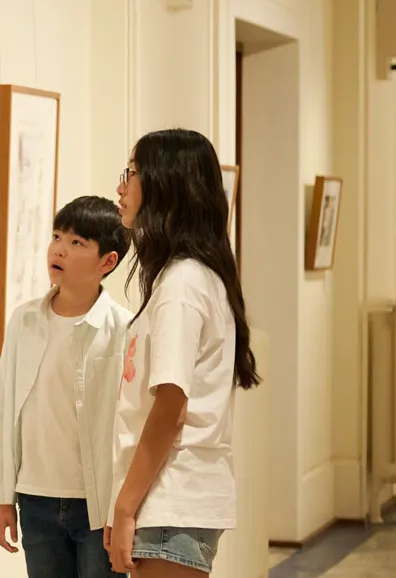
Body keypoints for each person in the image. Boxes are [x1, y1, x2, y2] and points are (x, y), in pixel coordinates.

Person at [106, 128, 261, 576]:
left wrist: (124, 506)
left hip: (171, 501)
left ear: (164, 184)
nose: (120, 186)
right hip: (171, 501)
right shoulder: (191, 277)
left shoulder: (182, 285)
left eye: (131, 173)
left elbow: (170, 408)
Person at [0, 196, 135, 578]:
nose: (59, 249)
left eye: (77, 243)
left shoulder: (123, 328)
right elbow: (6, 412)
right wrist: (5, 499)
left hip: (97, 503)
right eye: (57, 236)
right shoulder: (24, 321)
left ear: (107, 262)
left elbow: (128, 427)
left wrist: (123, 510)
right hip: (35, 498)